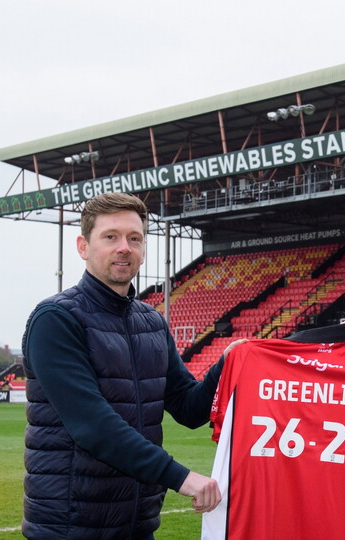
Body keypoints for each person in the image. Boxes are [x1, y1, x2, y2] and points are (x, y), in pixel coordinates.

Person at [21, 192, 236, 539]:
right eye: (111, 237)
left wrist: (229, 361)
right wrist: (181, 477)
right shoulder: (56, 319)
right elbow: (93, 425)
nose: (124, 247)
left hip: (137, 524)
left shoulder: (151, 322)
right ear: (83, 246)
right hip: (71, 527)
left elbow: (189, 408)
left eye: (134, 238)